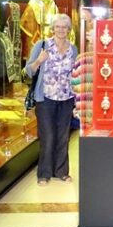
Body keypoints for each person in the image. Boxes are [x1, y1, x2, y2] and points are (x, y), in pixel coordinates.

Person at [25, 14, 77, 186]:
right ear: (53, 28)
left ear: (68, 30)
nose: (61, 30)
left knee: (63, 137)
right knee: (48, 137)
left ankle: (61, 171)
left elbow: (75, 74)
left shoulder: (73, 49)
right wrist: (39, 61)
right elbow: (28, 71)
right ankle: (44, 173)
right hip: (45, 99)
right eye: (58, 26)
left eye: (64, 27)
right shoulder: (42, 45)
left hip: (66, 99)